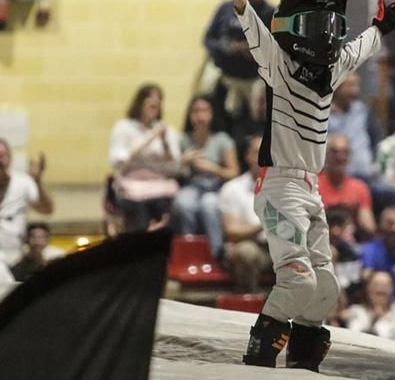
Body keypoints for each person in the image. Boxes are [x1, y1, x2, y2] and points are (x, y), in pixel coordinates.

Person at [227, 0, 395, 371]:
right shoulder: (278, 66)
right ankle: (259, 352)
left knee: (325, 286)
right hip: (280, 187)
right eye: (318, 26)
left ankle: (304, 358)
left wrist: (380, 29)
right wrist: (240, 1)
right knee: (298, 279)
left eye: (333, 26)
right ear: (292, 29)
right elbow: (257, 36)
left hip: (311, 188)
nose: (328, 36)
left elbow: (357, 52)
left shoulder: (331, 71)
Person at [201, 0, 273, 127]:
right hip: (225, 78)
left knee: (255, 122)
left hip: (254, 81)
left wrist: (254, 50)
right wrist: (228, 48)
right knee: (213, 110)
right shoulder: (226, 9)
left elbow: (275, 48)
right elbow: (208, 39)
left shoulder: (269, 13)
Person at [0, 138, 53, 264]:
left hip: (17, 253)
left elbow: (46, 209)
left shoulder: (23, 181)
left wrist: (38, 181)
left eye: (1, 156)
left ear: (10, 158)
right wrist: (4, 185)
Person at [108, 83, 180, 233]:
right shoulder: (123, 127)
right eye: (150, 99)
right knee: (139, 211)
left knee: (168, 209)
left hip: (159, 186)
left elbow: (175, 166)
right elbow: (118, 162)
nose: (154, 103)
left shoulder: (166, 130)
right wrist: (150, 138)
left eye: (158, 100)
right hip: (132, 185)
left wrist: (165, 143)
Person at [172, 96, 238, 258]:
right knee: (183, 203)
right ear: (190, 115)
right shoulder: (183, 139)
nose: (200, 116)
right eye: (196, 111)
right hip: (192, 185)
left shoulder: (222, 139)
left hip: (216, 186)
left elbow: (234, 173)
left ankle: (217, 253)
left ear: (212, 114)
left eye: (205, 110)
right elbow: (173, 172)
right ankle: (190, 252)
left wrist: (213, 168)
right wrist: (183, 161)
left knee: (209, 204)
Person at [219, 136, 272, 293]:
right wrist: (265, 224)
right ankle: (249, 301)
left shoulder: (284, 189)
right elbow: (231, 232)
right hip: (244, 245)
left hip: (276, 247)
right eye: (258, 153)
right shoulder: (233, 189)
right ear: (248, 156)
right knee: (247, 252)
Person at [318, 134, 375, 239]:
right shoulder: (314, 184)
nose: (340, 157)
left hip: (349, 241)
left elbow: (369, 228)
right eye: (335, 152)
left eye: (345, 152)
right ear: (326, 154)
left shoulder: (359, 188)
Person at [327, 74, 378, 180]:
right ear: (337, 87)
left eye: (356, 86)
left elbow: (375, 138)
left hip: (365, 174)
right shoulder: (324, 113)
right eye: (350, 86)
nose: (355, 90)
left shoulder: (362, 111)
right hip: (337, 177)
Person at [344, 270, 395, 342]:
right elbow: (353, 337)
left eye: (385, 285)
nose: (381, 288)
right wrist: (373, 319)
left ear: (391, 289)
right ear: (368, 288)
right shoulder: (356, 312)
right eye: (376, 284)